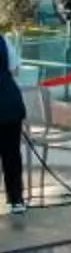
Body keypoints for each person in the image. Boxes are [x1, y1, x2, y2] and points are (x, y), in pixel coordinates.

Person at [0, 36, 27, 221]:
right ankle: (16, 199)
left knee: (11, 155)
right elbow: (15, 69)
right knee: (11, 155)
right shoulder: (3, 41)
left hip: (7, 105)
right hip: (10, 103)